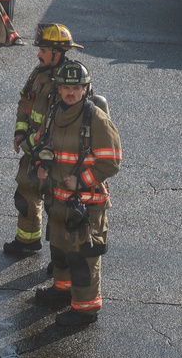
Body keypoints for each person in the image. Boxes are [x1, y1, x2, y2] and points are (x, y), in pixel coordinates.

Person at [31, 60, 121, 326]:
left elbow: (111, 162)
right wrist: (41, 165)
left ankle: (85, 309)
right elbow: (43, 145)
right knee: (60, 249)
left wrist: (80, 181)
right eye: (66, 87)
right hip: (58, 199)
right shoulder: (54, 112)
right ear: (59, 89)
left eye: (77, 87)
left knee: (83, 257)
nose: (71, 92)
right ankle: (63, 290)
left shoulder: (96, 119)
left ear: (85, 89)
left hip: (87, 205)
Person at [4, 23, 82, 256]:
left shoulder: (69, 81)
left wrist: (30, 143)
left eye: (43, 50)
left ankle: (60, 258)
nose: (38, 54)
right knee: (26, 195)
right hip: (33, 149)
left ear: (57, 53)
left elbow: (58, 123)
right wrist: (20, 131)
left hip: (55, 156)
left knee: (56, 205)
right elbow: (25, 101)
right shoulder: (39, 73)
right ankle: (27, 241)